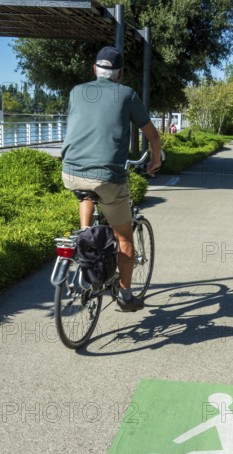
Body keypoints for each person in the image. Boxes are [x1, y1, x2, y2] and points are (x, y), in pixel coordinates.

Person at [61, 46, 161, 312]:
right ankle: (126, 296)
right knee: (124, 237)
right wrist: (156, 160)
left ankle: (85, 237)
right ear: (120, 73)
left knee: (86, 192)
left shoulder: (76, 91)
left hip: (70, 172)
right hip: (107, 176)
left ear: (95, 69)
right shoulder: (127, 94)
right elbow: (152, 135)